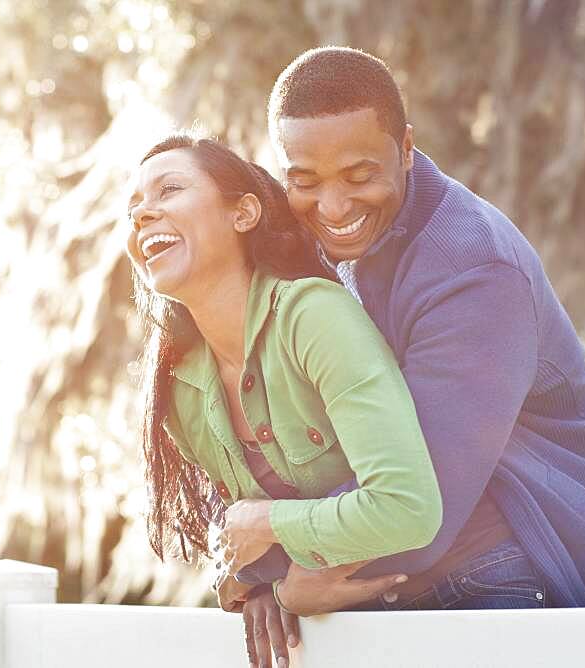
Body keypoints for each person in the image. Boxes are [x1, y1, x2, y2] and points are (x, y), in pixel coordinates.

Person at [242, 45, 585, 656]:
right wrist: (266, 574)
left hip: (574, 581)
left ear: (405, 148)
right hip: (453, 585)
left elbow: (417, 513)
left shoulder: (473, 268)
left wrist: (268, 559)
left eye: (359, 176)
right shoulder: (318, 245)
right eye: (305, 181)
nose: (333, 207)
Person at [125, 133, 446, 667]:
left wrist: (266, 525)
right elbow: (245, 553)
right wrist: (254, 585)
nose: (142, 215)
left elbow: (407, 508)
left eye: (169, 190)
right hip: (342, 639)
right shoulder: (180, 387)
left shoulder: (313, 316)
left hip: (457, 607)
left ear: (243, 213)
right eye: (133, 207)